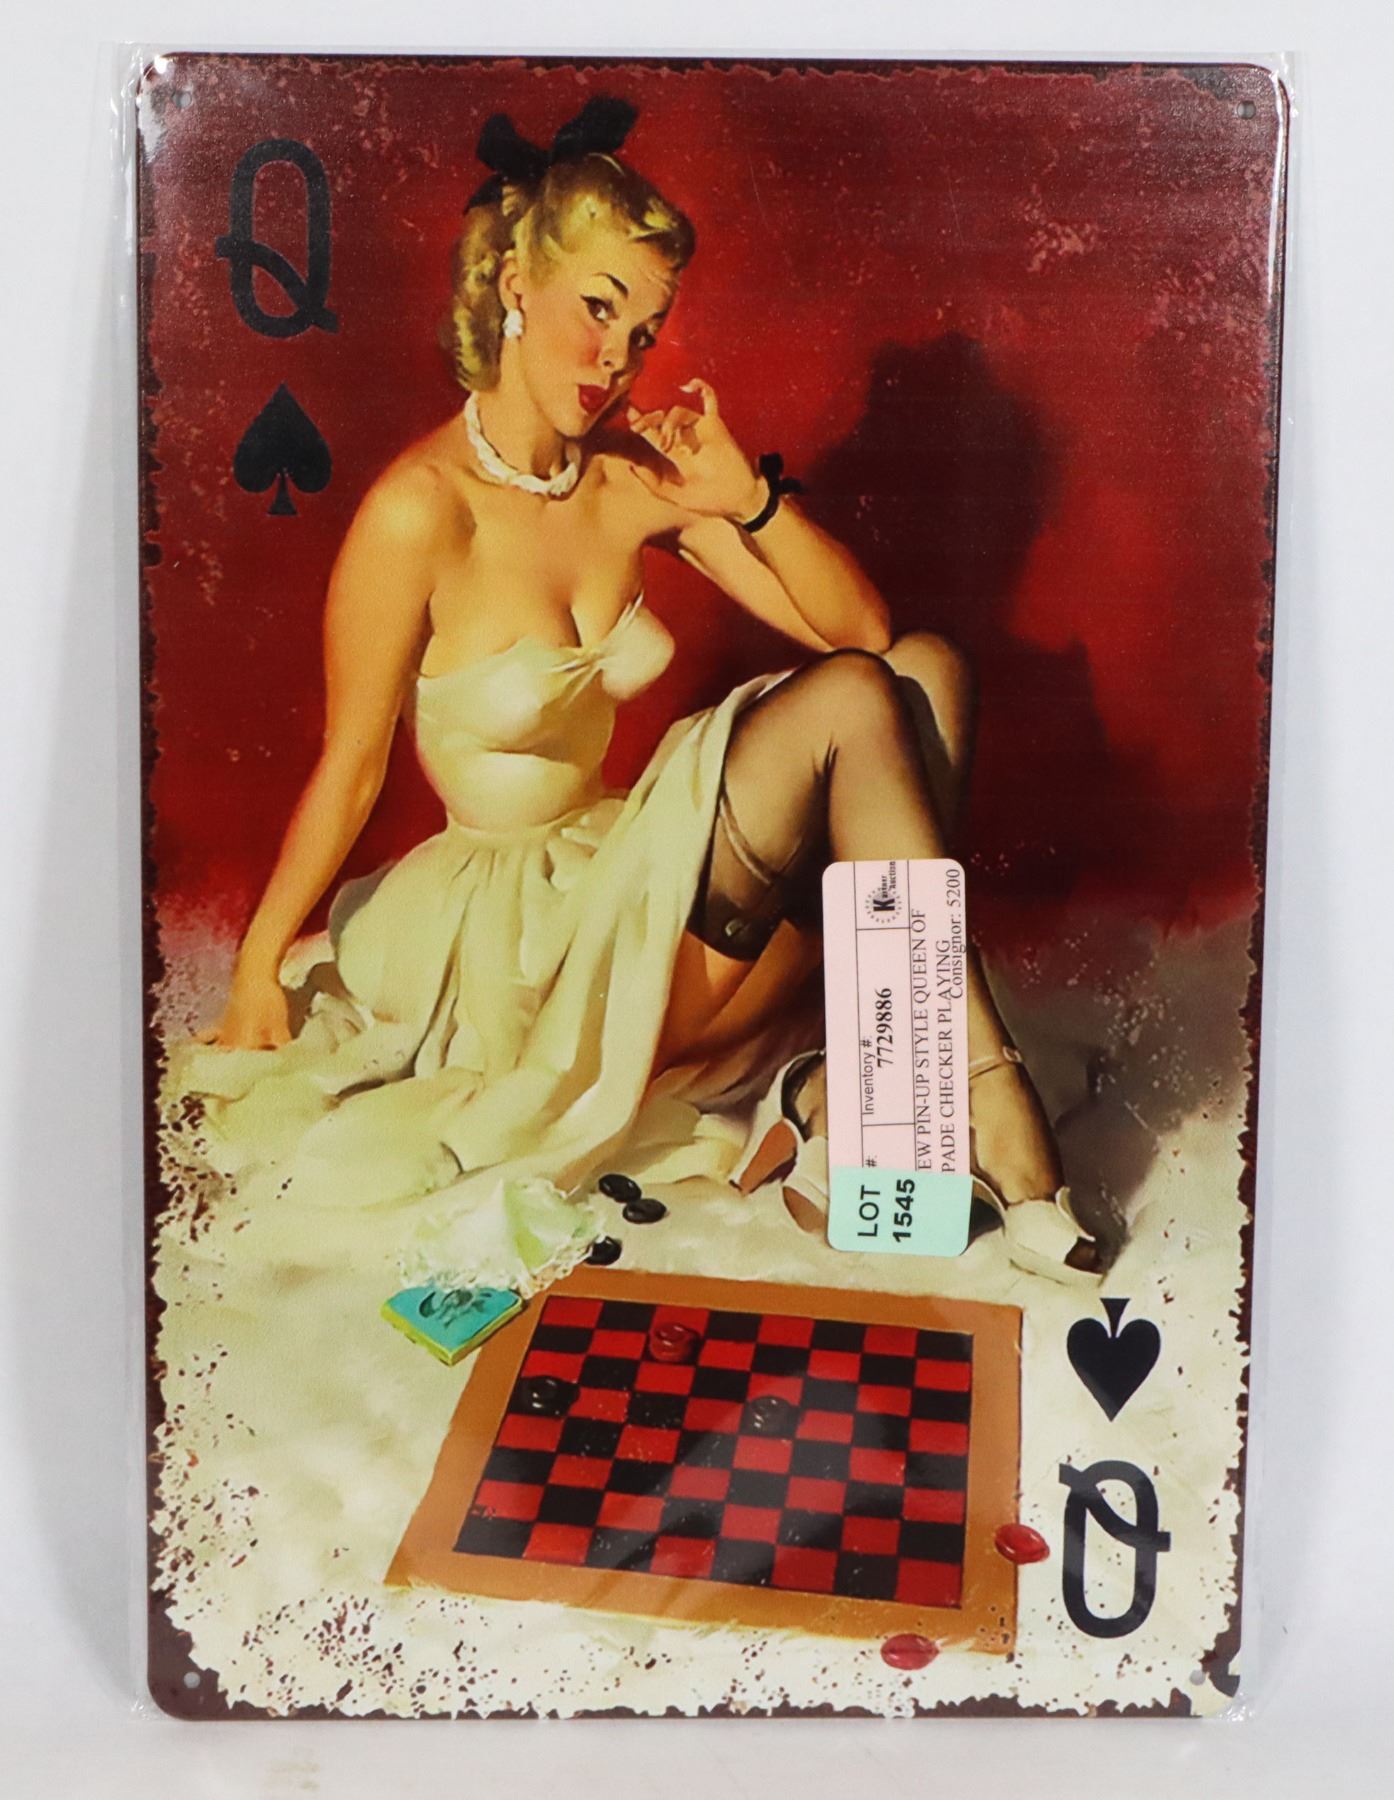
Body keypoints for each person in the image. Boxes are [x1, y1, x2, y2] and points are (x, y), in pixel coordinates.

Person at [165, 96, 1096, 1289]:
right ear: (514, 284)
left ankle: (866, 1098)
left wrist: (742, 498)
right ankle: (987, 1111)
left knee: (925, 673)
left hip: (632, 887)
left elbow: (861, 632)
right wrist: (256, 973)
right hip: (526, 966)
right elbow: (351, 767)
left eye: (644, 332)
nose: (615, 359)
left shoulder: (626, 479)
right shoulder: (418, 512)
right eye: (597, 308)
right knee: (854, 704)